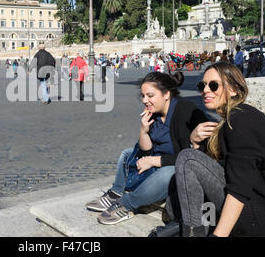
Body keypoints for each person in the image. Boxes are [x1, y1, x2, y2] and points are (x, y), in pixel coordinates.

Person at [162, 61, 265, 237]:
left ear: (234, 89)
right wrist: (195, 142)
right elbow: (212, 169)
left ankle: (192, 233)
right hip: (259, 208)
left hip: (262, 216)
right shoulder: (232, 118)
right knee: (173, 204)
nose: (205, 90)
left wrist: (218, 235)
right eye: (202, 85)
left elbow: (239, 189)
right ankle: (192, 226)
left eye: (213, 85)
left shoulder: (240, 121)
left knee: (187, 158)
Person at [86, 71, 209, 225]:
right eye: (143, 96)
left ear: (166, 94)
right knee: (127, 153)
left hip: (181, 168)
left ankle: (126, 205)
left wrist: (153, 161)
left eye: (150, 96)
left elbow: (190, 157)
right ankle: (116, 193)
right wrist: (143, 130)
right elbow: (145, 150)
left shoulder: (185, 112)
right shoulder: (154, 113)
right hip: (157, 163)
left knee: (167, 173)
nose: (145, 100)